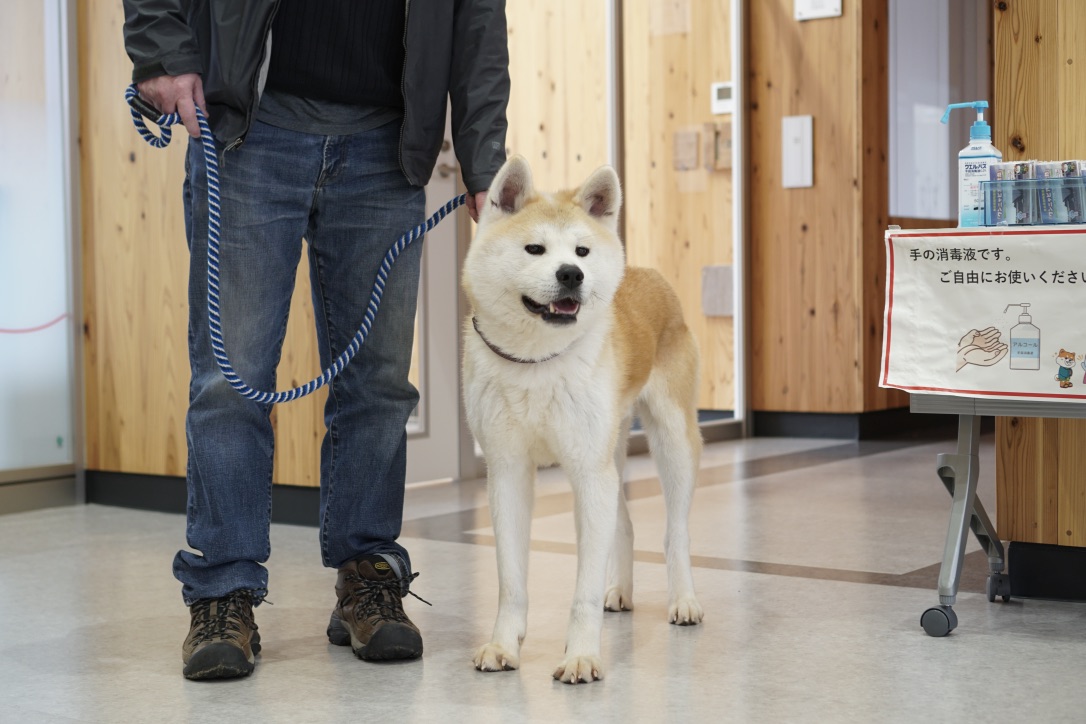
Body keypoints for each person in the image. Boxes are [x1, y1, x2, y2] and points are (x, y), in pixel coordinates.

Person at [122, 0, 509, 681]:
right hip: (251, 131)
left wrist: (485, 160)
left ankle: (368, 575)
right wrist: (159, 49)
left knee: (380, 383)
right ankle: (222, 592)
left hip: (389, 148)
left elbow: (477, 22)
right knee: (228, 380)